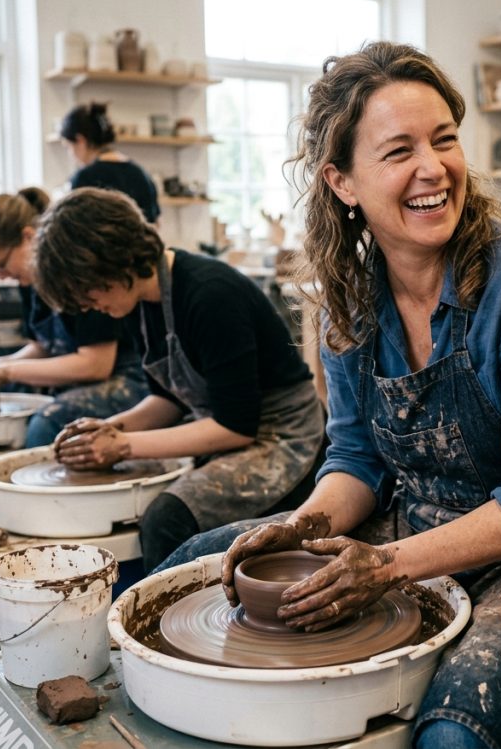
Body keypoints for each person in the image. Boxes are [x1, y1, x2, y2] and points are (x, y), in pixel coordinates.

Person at [154, 41, 501, 749]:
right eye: (398, 151)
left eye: (444, 140)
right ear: (343, 181)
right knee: (190, 568)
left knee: (456, 728)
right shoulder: (349, 299)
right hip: (419, 527)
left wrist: (385, 565)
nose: (433, 168)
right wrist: (307, 521)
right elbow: (356, 457)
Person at [32, 187, 325, 572]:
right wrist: (108, 430)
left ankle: (163, 626)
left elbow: (236, 427)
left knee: (165, 519)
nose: (87, 306)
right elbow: (167, 400)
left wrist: (123, 445)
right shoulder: (141, 303)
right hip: (228, 427)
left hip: (285, 439)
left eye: (87, 290)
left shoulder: (208, 294)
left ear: (113, 260)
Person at [0, 187, 147, 447]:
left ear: (28, 237)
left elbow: (95, 365)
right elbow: (42, 346)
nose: (0, 276)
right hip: (80, 377)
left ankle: (30, 485)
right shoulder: (28, 281)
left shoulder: (76, 276)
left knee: (47, 422)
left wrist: (8, 370)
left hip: (126, 378)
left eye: (1, 264)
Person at [60, 102, 161, 224]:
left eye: (68, 147)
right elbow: (155, 224)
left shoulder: (85, 179)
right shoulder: (141, 174)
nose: (70, 155)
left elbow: (75, 230)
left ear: (80, 140)